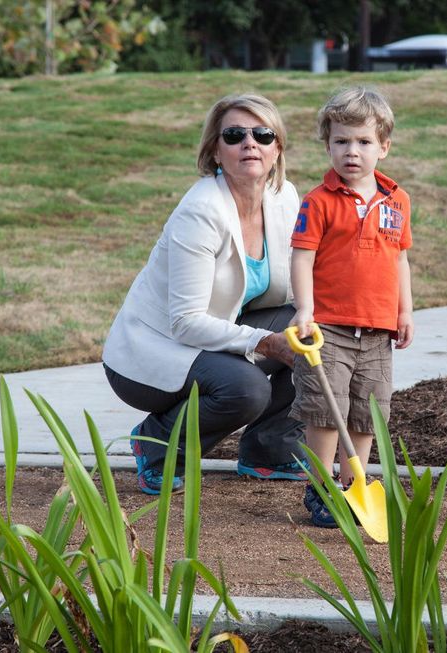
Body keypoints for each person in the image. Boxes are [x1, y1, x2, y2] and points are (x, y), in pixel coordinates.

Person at [103, 93, 307, 495]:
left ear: (277, 147)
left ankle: (268, 451)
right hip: (152, 352)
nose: (250, 143)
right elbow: (185, 321)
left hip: (214, 335)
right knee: (247, 389)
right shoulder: (200, 212)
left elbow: (294, 288)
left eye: (263, 134)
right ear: (215, 150)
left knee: (316, 332)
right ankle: (157, 445)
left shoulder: (284, 198)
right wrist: (265, 342)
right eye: (234, 135)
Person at [289, 86, 414, 527]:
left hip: (378, 331)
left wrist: (404, 311)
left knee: (367, 410)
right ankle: (321, 487)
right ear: (327, 146)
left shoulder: (397, 200)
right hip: (330, 328)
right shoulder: (318, 201)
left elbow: (399, 257)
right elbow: (302, 256)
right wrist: (305, 310)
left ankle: (353, 483)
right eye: (341, 142)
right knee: (326, 408)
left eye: (363, 142)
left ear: (383, 147)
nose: (352, 152)